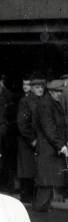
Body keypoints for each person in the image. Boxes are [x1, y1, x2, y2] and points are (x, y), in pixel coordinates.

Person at [31, 80, 68, 212]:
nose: (59, 94)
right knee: (45, 179)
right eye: (57, 91)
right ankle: (41, 207)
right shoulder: (46, 105)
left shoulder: (52, 103)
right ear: (51, 91)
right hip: (48, 148)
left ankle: (45, 205)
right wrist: (61, 146)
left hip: (51, 147)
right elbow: (49, 128)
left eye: (60, 91)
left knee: (48, 179)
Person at [16, 76, 45, 204]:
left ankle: (34, 198)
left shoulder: (43, 101)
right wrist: (32, 139)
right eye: (37, 87)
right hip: (27, 142)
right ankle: (26, 198)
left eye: (41, 87)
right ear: (32, 88)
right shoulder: (26, 101)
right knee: (26, 170)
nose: (40, 90)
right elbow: (22, 123)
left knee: (35, 170)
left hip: (40, 141)